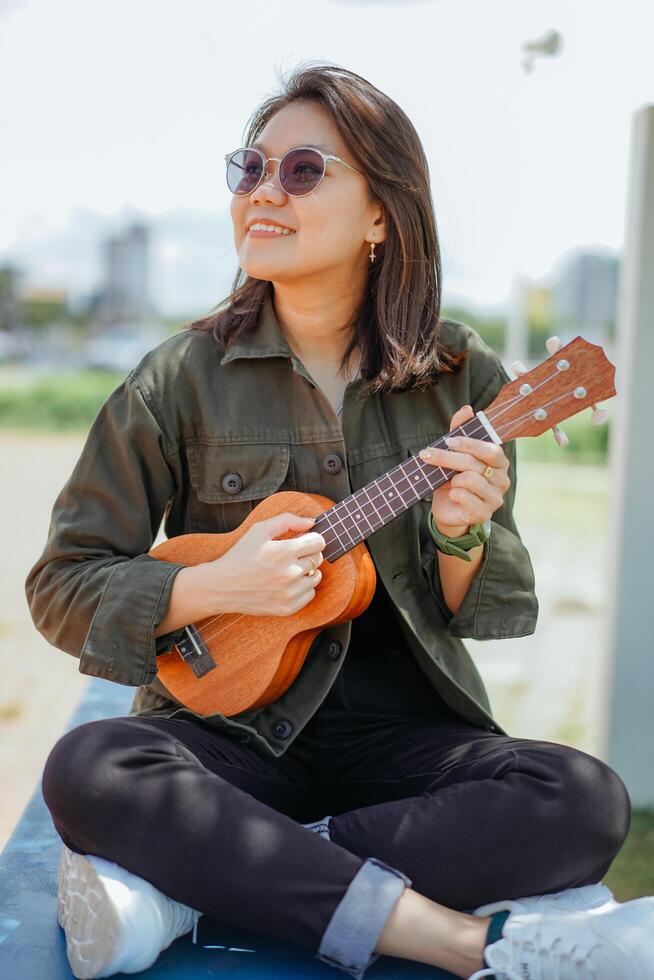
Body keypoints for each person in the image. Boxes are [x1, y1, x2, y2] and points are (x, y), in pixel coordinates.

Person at [25, 62, 653, 980]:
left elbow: (474, 608)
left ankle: (189, 887)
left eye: (304, 171)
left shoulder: (460, 374)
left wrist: (461, 533)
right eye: (250, 169)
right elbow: (62, 583)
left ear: (380, 215)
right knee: (92, 765)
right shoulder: (177, 376)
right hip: (228, 739)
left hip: (404, 735)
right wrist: (212, 586)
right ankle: (457, 941)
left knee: (583, 800)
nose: (264, 193)